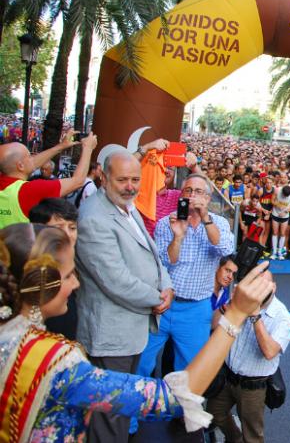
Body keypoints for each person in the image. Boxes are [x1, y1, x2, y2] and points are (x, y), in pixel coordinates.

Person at [0, 223, 274, 442]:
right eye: (70, 274)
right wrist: (235, 316)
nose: (75, 283)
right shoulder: (57, 363)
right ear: (41, 286)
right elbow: (171, 398)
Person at [75, 150, 176, 442]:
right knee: (109, 419)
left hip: (129, 331)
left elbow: (152, 255)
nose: (130, 186)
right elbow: (114, 280)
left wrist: (166, 284)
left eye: (135, 179)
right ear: (103, 177)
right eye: (122, 180)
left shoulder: (124, 206)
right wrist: (157, 298)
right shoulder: (94, 217)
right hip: (111, 335)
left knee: (121, 411)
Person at [138, 173, 235, 378]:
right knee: (141, 362)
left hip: (196, 309)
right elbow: (164, 262)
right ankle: (140, 405)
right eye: (188, 191)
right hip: (162, 304)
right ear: (181, 195)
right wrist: (178, 237)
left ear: (208, 198)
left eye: (199, 191)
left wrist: (206, 218)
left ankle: (179, 409)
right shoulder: (167, 222)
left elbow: (225, 248)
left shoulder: (219, 223)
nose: (192, 195)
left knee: (189, 371)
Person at [206, 271, 290, 443]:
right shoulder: (240, 303)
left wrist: (255, 316)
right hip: (227, 377)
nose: (259, 290)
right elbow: (213, 326)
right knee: (214, 414)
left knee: (253, 434)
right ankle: (234, 438)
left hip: (253, 387)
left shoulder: (282, 317)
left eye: (264, 284)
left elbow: (269, 352)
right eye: (255, 285)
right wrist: (227, 307)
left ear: (274, 287)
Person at [0, 131, 97, 229]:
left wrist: (60, 147)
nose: (33, 158)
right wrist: (88, 148)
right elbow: (78, 181)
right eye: (29, 156)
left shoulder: (7, 186)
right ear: (20, 166)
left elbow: (31, 164)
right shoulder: (28, 190)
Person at [28, 198, 79, 340]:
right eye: (58, 227)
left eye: (72, 227)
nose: (67, 234)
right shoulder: (35, 273)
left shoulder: (74, 261)